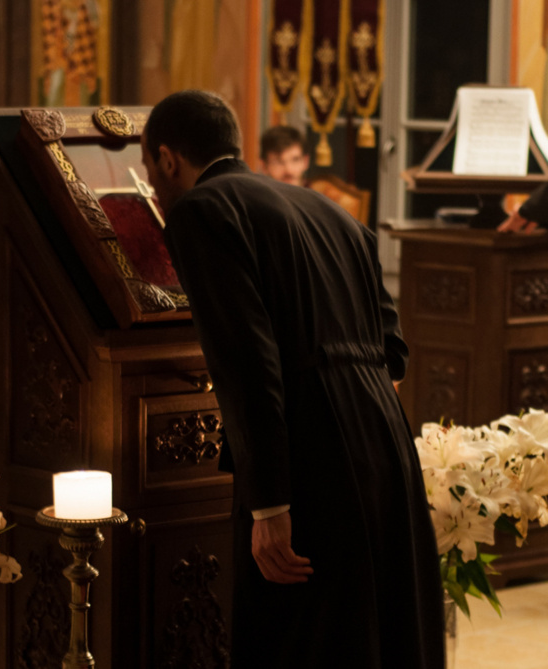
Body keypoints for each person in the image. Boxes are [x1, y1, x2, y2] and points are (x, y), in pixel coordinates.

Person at [142, 90, 444, 668]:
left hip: (310, 449)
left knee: (303, 634)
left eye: (150, 167)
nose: (151, 184)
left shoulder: (202, 210)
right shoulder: (333, 212)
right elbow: (394, 352)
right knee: (379, 623)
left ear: (168, 157)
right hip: (384, 436)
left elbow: (248, 363)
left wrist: (269, 506)